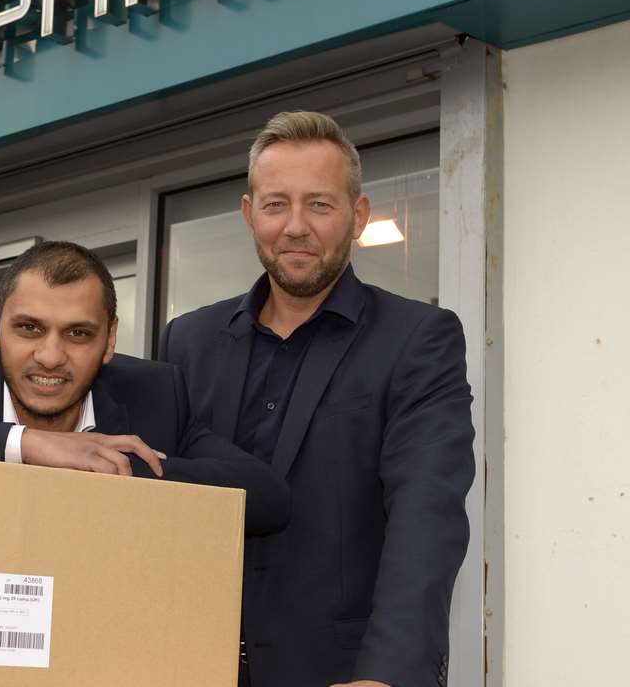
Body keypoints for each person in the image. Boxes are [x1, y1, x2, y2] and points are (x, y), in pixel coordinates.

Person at [159, 111, 475, 687]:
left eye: (320, 205)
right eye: (276, 204)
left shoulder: (417, 339)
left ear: (358, 216)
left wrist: (388, 674)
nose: (296, 226)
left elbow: (426, 516)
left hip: (342, 672)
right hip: (190, 663)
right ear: (250, 213)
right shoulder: (187, 341)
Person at [0, 241, 290, 537]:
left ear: (109, 340)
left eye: (78, 333)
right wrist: (27, 445)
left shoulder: (154, 395)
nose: (50, 356)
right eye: (29, 329)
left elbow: (268, 499)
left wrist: (108, 471)